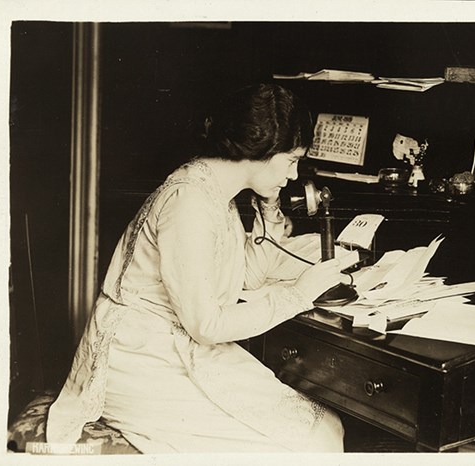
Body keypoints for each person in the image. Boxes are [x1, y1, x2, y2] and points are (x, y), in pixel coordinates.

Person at [46, 83, 347, 453]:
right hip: (141, 361)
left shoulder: (214, 189)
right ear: (260, 150)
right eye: (291, 160)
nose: (294, 175)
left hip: (178, 346)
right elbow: (207, 325)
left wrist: (269, 210)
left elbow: (243, 279)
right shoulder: (190, 201)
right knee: (300, 445)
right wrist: (299, 294)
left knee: (324, 429)